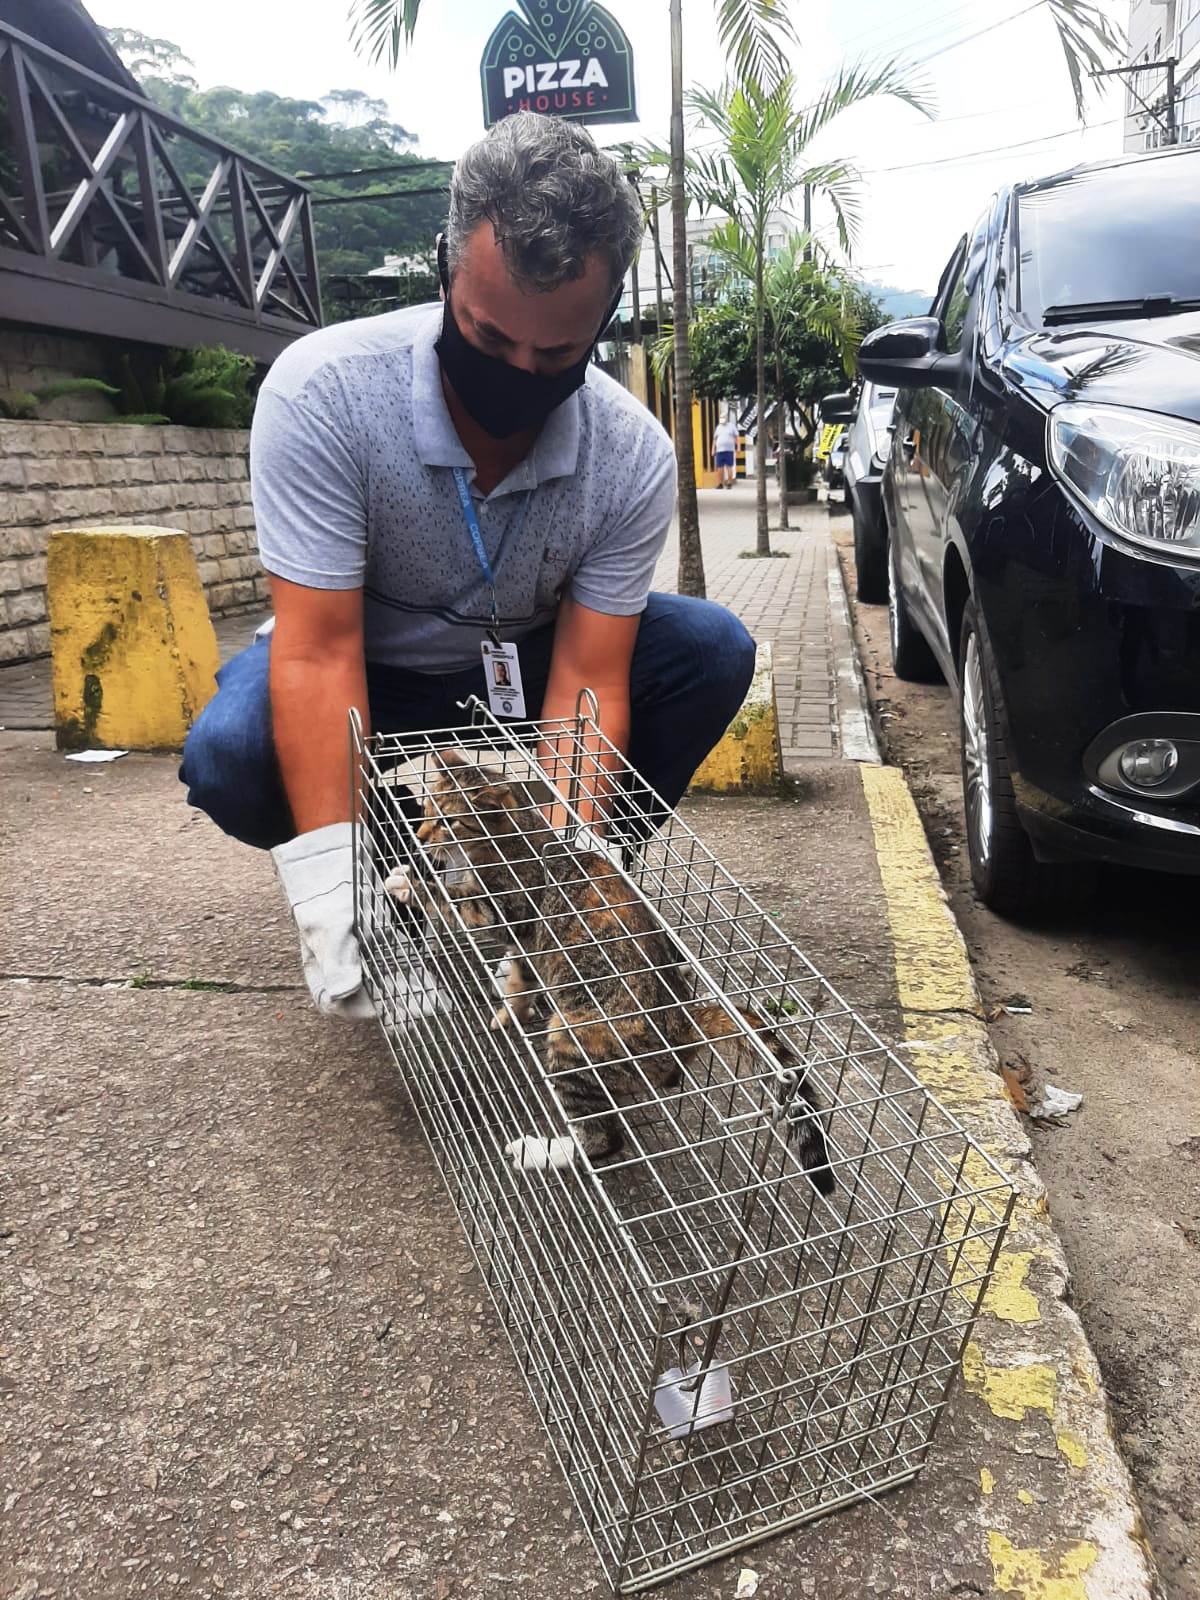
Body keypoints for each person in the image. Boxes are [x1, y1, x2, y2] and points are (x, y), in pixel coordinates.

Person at [180, 112, 755, 1021]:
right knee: (233, 752)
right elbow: (318, 651)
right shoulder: (325, 392)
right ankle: (386, 872)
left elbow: (588, 678)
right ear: (446, 265)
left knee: (710, 648)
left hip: (518, 660)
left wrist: (566, 869)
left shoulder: (631, 454)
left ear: (602, 319)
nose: (520, 373)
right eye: (490, 341)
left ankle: (553, 889)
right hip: (365, 659)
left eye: (557, 353)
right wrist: (332, 888)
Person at [712, 413, 738, 489]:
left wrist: (738, 447)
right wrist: (713, 449)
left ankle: (729, 483)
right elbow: (715, 439)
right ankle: (720, 483)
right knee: (720, 467)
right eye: (721, 417)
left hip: (729, 450)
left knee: (729, 466)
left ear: (726, 418)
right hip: (719, 450)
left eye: (723, 417)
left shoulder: (731, 426)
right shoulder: (718, 427)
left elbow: (736, 437)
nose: (722, 419)